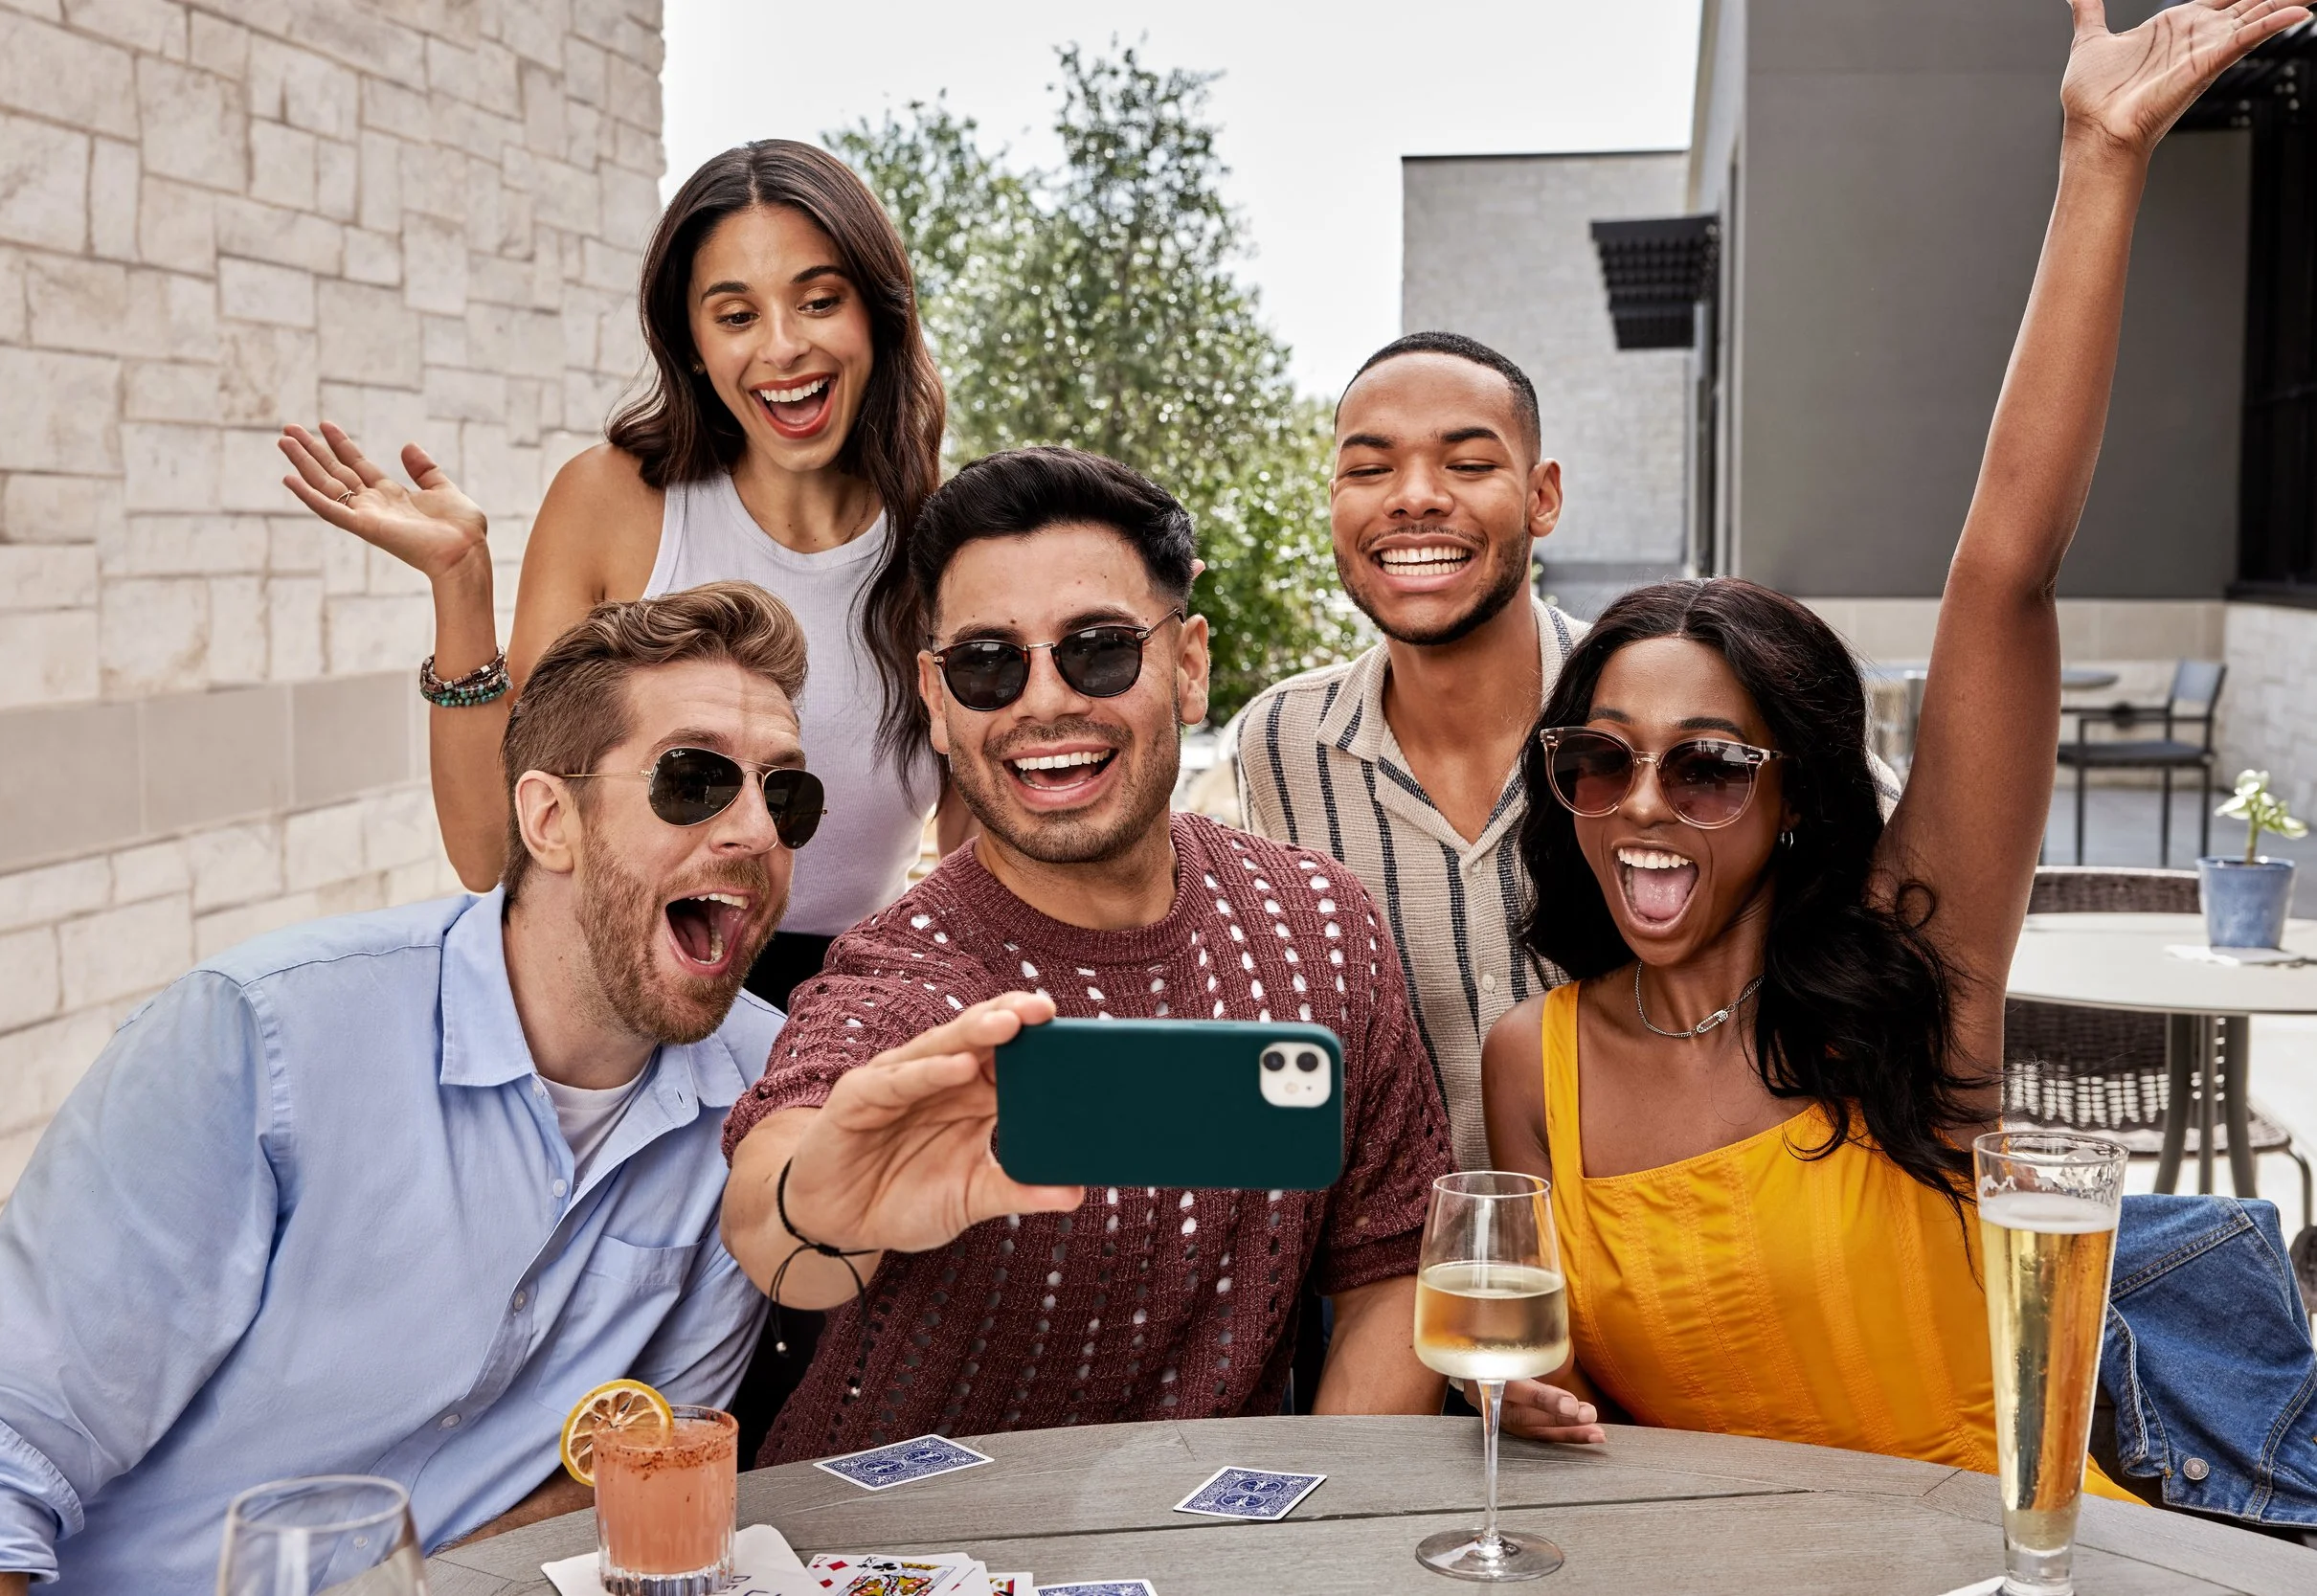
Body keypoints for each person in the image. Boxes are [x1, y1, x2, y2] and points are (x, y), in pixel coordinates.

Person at [1477, 0, 2301, 1484]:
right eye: (1601, 757)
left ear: (1790, 795)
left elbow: (2005, 577)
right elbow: (1552, 1374)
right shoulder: (1526, 1063)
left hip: (2005, 1558)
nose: (1644, 801)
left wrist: (2099, 158)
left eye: (1709, 762)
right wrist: (1522, 1390)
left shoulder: (1904, 971)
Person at [715, 446, 1602, 1462]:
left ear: (1187, 665)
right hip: (899, 1542)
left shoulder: (1319, 919)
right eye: (987, 661)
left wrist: (1302, 1538)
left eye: (1096, 649)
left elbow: (1389, 1268)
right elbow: (776, 1212)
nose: (1042, 701)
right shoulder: (906, 970)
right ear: (936, 697)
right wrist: (821, 1203)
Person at [0, 584, 814, 1593]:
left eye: (786, 794)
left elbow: (647, 1460)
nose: (757, 830)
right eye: (693, 778)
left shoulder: (763, 1090)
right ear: (551, 816)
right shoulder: (258, 1036)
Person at [278, 139, 957, 1013]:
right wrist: (460, 585)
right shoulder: (614, 502)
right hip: (626, 1003)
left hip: (843, 1020)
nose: (783, 348)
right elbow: (494, 852)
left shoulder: (940, 546)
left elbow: (978, 869)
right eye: (736, 315)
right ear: (694, 342)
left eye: (819, 301)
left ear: (878, 313)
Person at [1231, 331, 1584, 1173]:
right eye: (1369, 469)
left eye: (1466, 464)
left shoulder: (1662, 706)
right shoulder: (1279, 745)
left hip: (1669, 1259)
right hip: (1406, 1283)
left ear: (1542, 497)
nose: (1414, 498)